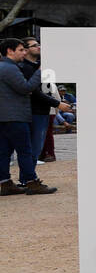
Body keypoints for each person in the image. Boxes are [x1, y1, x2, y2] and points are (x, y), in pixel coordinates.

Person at [0, 37, 56, 194]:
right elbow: (25, 88)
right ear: (9, 51)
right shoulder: (10, 68)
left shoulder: (4, 67)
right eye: (21, 50)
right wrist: (39, 73)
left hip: (4, 117)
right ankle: (32, 182)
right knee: (25, 151)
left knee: (4, 152)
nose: (24, 53)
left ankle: (5, 183)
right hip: (16, 117)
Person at [18, 37, 69, 166]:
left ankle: (30, 177)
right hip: (32, 111)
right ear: (25, 50)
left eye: (38, 44)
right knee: (32, 147)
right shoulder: (24, 68)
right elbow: (34, 92)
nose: (38, 47)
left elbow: (48, 88)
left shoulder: (41, 66)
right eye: (34, 45)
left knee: (37, 146)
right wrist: (58, 104)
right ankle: (28, 179)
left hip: (44, 110)